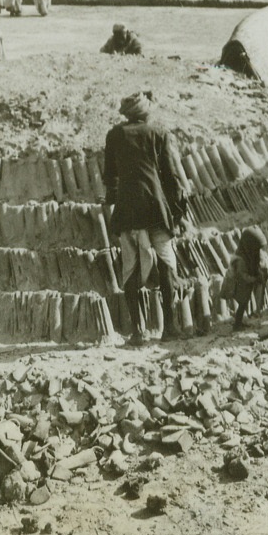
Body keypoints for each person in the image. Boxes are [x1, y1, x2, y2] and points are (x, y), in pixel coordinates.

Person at [103, 91, 190, 345]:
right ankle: (170, 328)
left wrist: (113, 201)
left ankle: (137, 332)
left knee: (130, 266)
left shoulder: (115, 135)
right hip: (155, 207)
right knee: (166, 263)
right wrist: (179, 212)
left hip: (128, 209)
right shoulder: (158, 133)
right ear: (145, 112)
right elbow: (171, 175)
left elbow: (110, 177)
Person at [220, 226, 268, 330]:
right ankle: (237, 325)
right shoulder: (240, 260)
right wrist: (254, 279)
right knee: (242, 304)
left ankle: (239, 323)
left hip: (243, 285)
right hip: (236, 286)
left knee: (243, 304)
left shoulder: (248, 255)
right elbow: (243, 276)